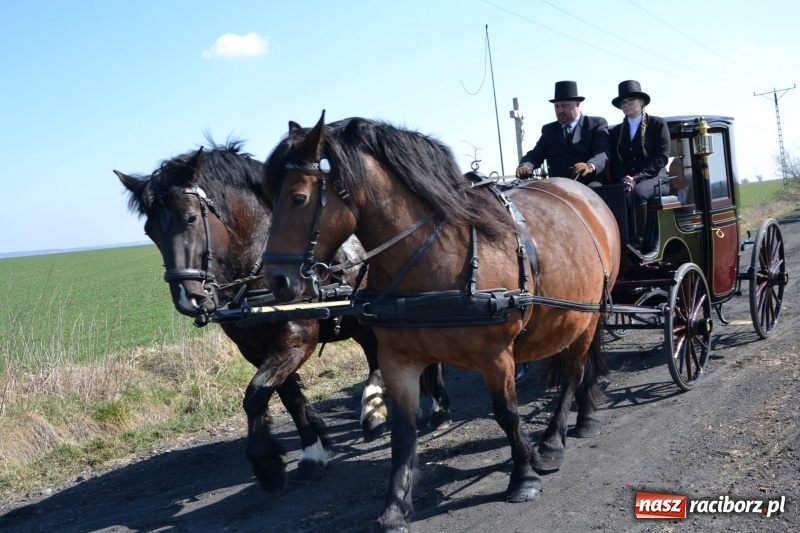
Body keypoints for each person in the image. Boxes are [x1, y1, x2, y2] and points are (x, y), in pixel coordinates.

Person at [609, 80, 671, 255]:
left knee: (638, 193)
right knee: (613, 192)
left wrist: (637, 178)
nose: (626, 105)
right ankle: (617, 241)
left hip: (656, 179)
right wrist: (624, 178)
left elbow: (662, 157)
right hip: (627, 180)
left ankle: (640, 243)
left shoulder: (657, 124)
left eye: (630, 100)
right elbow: (615, 161)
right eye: (623, 103)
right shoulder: (617, 131)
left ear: (642, 102)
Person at [516, 81, 609, 187]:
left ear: (578, 105)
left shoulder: (595, 124)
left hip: (589, 183)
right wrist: (525, 165)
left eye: (564, 106)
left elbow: (602, 153)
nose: (560, 110)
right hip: (558, 187)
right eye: (557, 107)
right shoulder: (549, 130)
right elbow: (535, 155)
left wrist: (590, 166)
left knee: (595, 191)